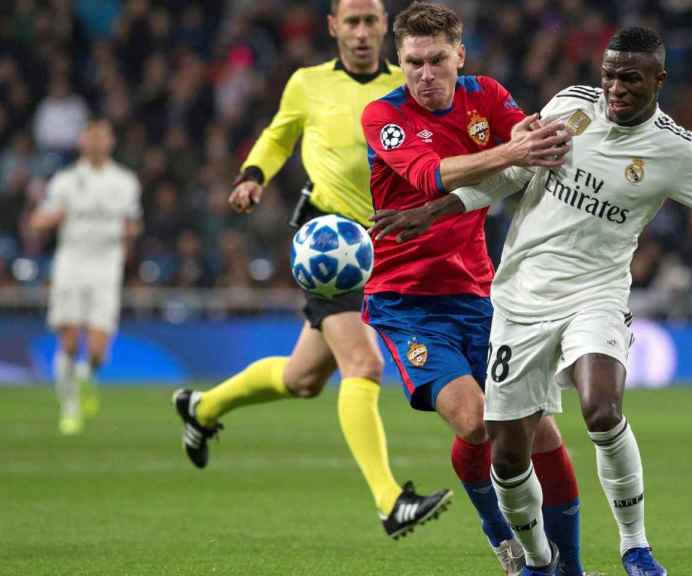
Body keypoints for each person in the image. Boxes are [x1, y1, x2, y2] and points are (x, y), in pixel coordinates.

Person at [371, 26, 692, 576]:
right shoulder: (570, 106)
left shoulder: (678, 151)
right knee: (509, 452)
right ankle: (540, 561)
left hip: (598, 294)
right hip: (520, 298)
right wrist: (435, 210)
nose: (615, 88)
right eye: (609, 74)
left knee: (602, 409)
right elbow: (512, 172)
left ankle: (635, 547)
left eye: (630, 78)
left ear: (658, 80)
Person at [170, 0, 451, 540]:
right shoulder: (307, 83)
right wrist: (254, 175)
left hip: (391, 239)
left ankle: (201, 407)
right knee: (363, 365)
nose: (363, 32)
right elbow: (279, 134)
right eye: (353, 22)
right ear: (334, 28)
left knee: (302, 378)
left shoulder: (411, 81)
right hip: (332, 245)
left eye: (372, 22)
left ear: (385, 29)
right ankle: (391, 501)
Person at [359, 4, 592, 574]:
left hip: (483, 295)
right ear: (399, 62)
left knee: (540, 427)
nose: (425, 74)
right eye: (413, 62)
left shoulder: (485, 93)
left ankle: (572, 568)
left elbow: (520, 136)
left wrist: (532, 136)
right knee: (475, 419)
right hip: (406, 301)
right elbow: (430, 175)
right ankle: (502, 536)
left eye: (437, 60)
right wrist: (516, 151)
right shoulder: (382, 116)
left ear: (459, 56)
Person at [30, 118, 142, 435]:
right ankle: (69, 409)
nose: (95, 143)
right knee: (67, 341)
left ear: (110, 142)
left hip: (106, 265)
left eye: (101, 137)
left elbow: (134, 223)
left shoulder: (125, 181)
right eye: (90, 137)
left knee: (97, 349)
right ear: (82, 142)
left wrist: (129, 233)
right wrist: (46, 219)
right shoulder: (65, 180)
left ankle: (85, 376)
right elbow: (39, 220)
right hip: (71, 262)